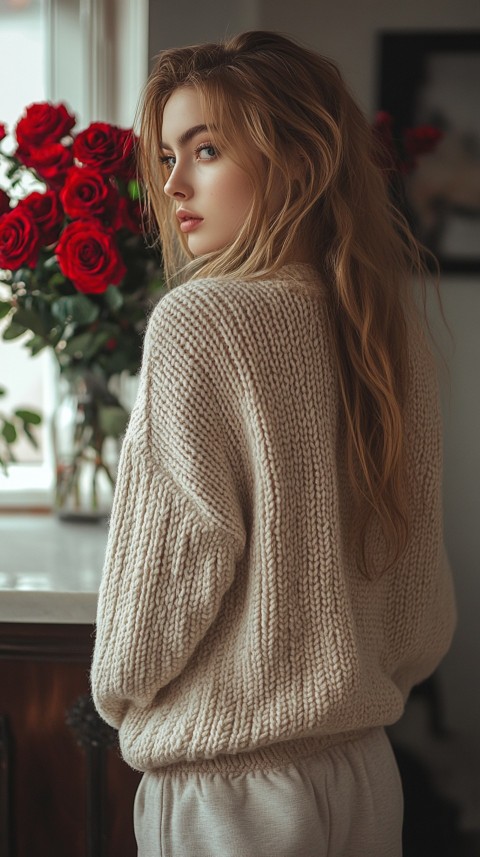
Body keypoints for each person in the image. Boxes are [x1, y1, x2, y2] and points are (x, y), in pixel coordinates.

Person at [90, 30, 456, 857]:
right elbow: (419, 608)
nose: (173, 184)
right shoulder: (383, 334)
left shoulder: (200, 322)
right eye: (168, 155)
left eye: (206, 148)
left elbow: (157, 598)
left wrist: (122, 695)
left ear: (296, 161)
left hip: (228, 788)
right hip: (363, 773)